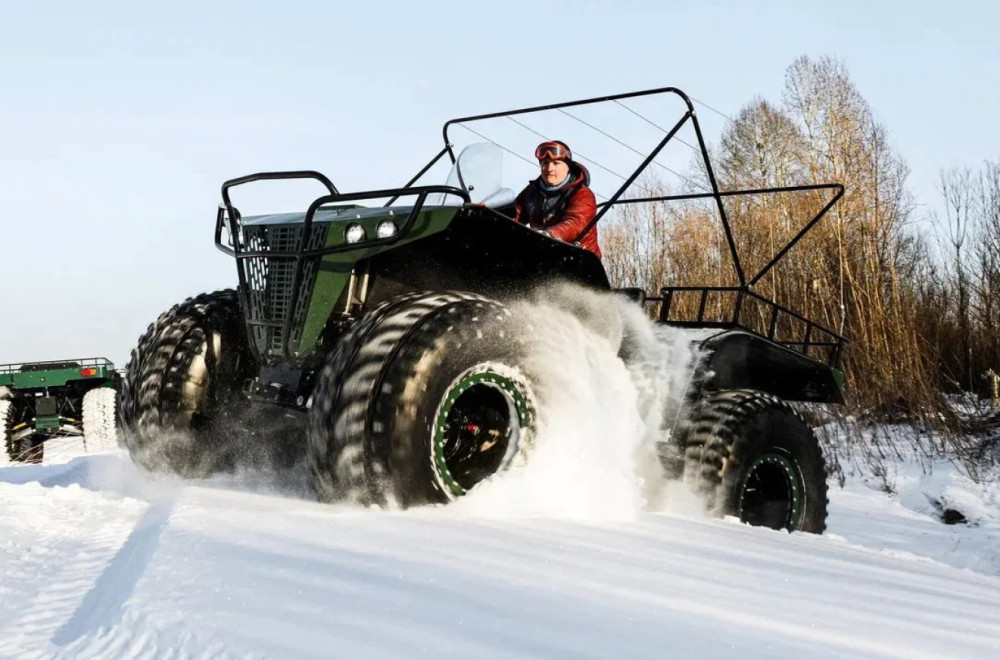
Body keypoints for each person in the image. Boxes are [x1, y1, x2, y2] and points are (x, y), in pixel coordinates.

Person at [513, 140, 602, 258]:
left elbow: (575, 223)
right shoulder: (531, 192)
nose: (549, 168)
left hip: (579, 261)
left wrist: (549, 235)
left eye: (556, 163)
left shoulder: (581, 194)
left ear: (568, 167)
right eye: (545, 163)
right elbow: (513, 216)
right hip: (545, 258)